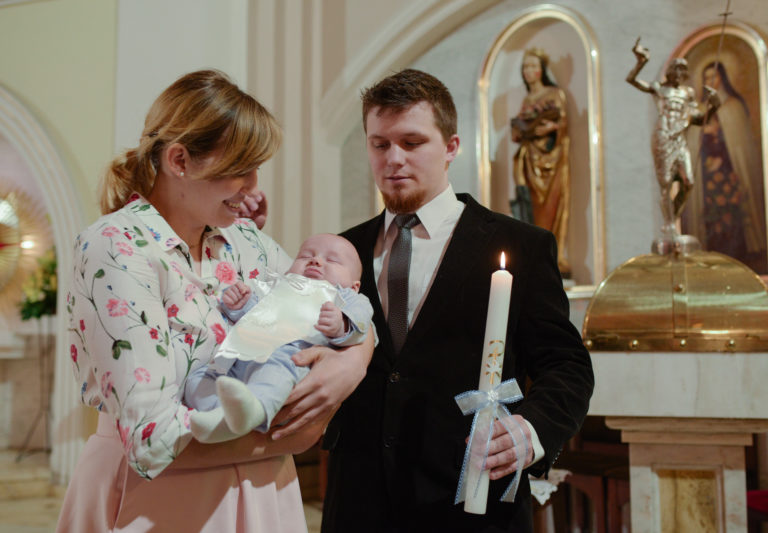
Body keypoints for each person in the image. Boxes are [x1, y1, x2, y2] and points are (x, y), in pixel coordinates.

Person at [57, 70, 373, 533]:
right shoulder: (116, 247)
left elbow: (338, 299)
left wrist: (353, 364)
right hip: (161, 499)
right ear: (179, 160)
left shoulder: (246, 240)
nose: (253, 185)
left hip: (265, 493)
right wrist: (298, 434)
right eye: (240, 168)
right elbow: (152, 439)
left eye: (256, 168)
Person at [321, 68, 594, 532]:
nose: (393, 159)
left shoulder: (520, 245)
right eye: (379, 144)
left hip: (471, 501)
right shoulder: (341, 250)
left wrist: (530, 431)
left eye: (412, 142)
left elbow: (566, 365)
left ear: (451, 147)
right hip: (359, 502)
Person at [185, 233, 373, 443]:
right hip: (241, 352)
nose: (316, 260)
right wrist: (239, 303)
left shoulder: (347, 297)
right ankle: (218, 416)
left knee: (274, 374)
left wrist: (341, 324)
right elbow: (254, 311)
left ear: (354, 286)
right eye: (306, 256)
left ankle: (253, 412)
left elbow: (362, 323)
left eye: (332, 260)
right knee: (199, 378)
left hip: (288, 356)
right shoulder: (279, 284)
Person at [626, 38, 720, 242]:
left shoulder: (687, 93)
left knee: (688, 182)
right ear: (670, 72)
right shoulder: (659, 88)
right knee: (666, 183)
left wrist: (714, 106)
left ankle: (671, 219)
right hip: (663, 138)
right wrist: (641, 62)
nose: (679, 74)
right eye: (676, 70)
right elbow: (631, 80)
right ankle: (670, 226)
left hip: (680, 140)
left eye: (682, 71)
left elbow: (700, 119)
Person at [684, 61, 767, 272]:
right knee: (712, 219)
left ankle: (739, 254)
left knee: (733, 219)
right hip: (706, 179)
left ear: (723, 78)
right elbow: (692, 145)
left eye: (714, 76)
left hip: (730, 175)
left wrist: (722, 157)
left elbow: (740, 147)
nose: (710, 81)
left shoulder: (733, 107)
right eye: (706, 78)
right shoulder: (699, 110)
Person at [510, 47, 571, 278]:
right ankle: (533, 254)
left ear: (542, 70)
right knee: (528, 206)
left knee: (549, 206)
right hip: (528, 159)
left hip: (550, 161)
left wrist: (550, 128)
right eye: (525, 66)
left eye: (533, 66)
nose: (529, 70)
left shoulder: (554, 94)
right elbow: (519, 131)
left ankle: (551, 255)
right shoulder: (527, 100)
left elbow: (562, 125)